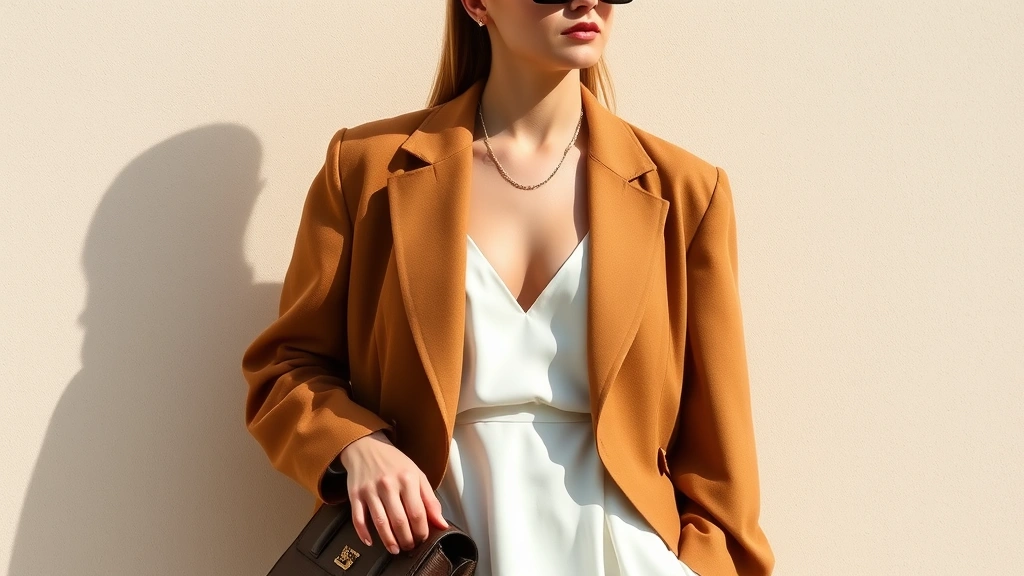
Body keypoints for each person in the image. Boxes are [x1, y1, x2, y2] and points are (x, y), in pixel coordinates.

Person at [241, 1, 775, 574]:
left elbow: (722, 458)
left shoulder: (687, 191)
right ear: (475, 3)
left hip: (622, 554)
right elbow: (285, 367)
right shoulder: (367, 171)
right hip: (438, 550)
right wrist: (357, 445)